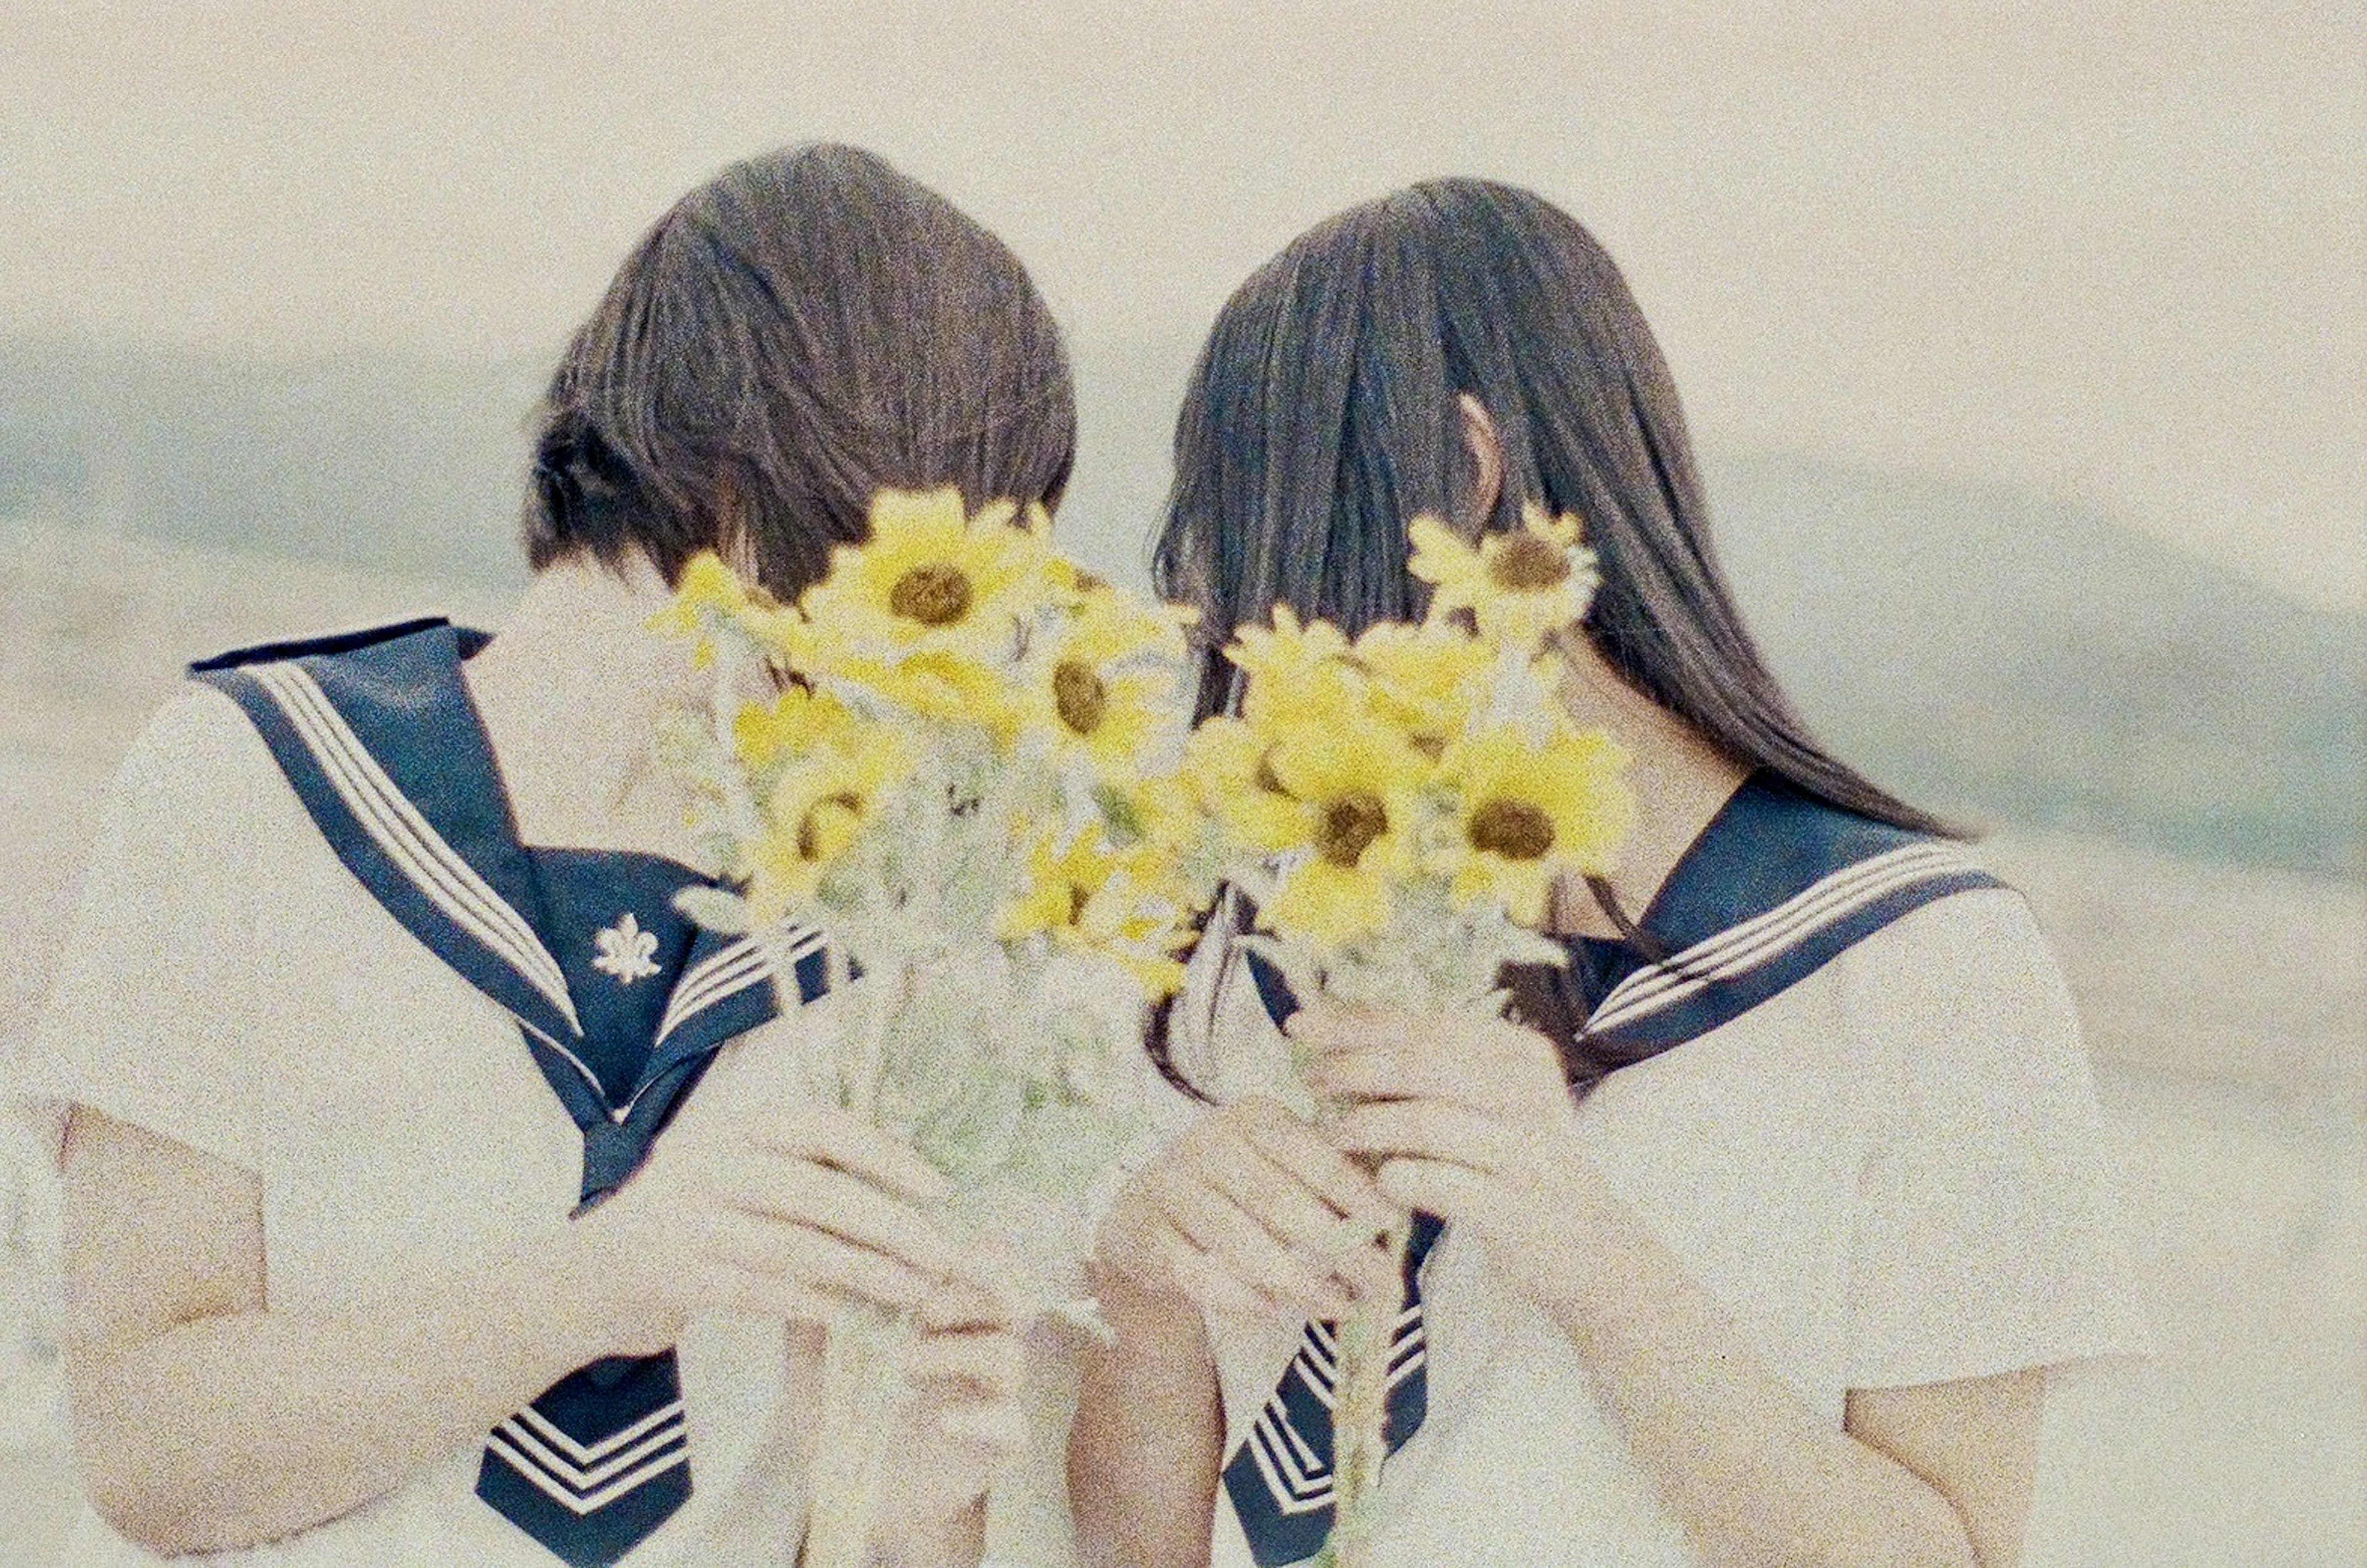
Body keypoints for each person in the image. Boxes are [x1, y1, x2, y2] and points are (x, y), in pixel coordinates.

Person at [17, 143, 1076, 1567]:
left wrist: (905, 1504)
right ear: (741, 460)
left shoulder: (898, 917)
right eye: (941, 517)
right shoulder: (250, 781)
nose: (947, 611)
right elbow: (150, 1445)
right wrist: (611, 1280)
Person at [1069, 179, 2148, 1568]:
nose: (1242, 625)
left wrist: (1582, 1240)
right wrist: (1146, 1282)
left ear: (1470, 481)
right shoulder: (1269, 948)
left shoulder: (1921, 967)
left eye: (1270, 539)